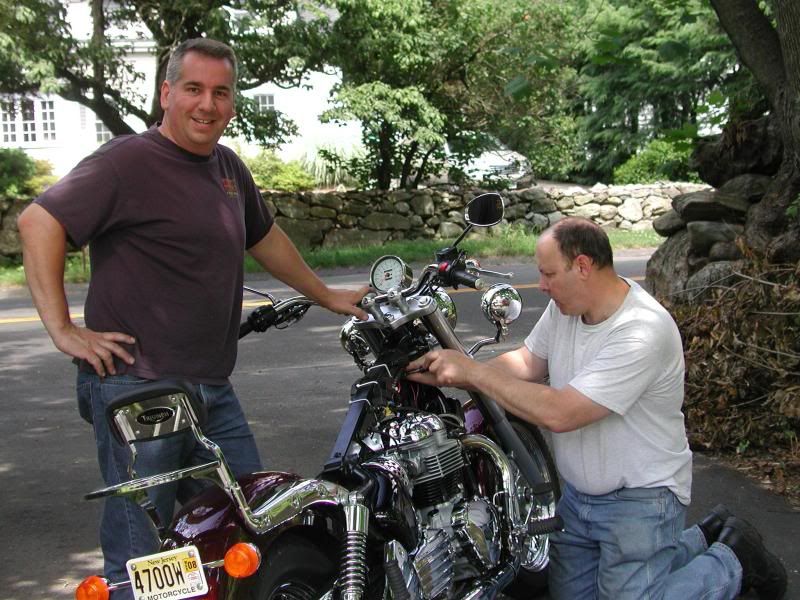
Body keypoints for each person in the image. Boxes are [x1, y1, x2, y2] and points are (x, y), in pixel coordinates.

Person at [17, 38, 368, 596]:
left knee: (250, 524)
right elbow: (39, 222)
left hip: (210, 387)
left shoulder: (226, 167)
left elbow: (264, 237)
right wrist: (63, 329)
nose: (207, 104)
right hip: (140, 387)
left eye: (221, 92)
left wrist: (325, 294)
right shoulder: (125, 162)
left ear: (232, 102)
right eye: (194, 89)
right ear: (166, 93)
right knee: (141, 555)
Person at [407, 217, 787, 599]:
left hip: (642, 498)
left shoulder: (641, 330)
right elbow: (526, 362)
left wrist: (473, 373)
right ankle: (705, 534)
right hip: (579, 497)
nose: (542, 285)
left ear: (583, 266)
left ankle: (734, 559)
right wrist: (449, 375)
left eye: (548, 274)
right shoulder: (565, 310)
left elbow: (562, 413)